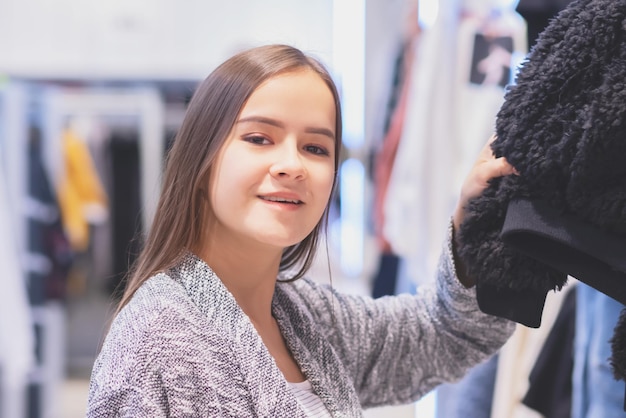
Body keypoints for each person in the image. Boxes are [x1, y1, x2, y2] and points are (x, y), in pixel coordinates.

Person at [86, 44, 517, 417]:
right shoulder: (157, 338)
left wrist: (471, 220)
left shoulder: (304, 315)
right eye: (259, 138)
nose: (292, 165)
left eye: (315, 148)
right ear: (203, 160)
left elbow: (442, 336)